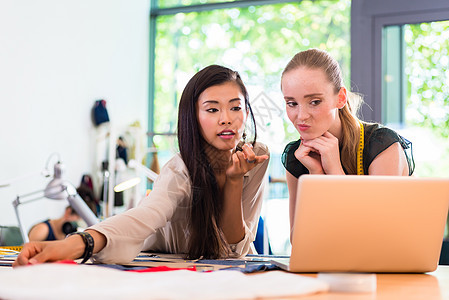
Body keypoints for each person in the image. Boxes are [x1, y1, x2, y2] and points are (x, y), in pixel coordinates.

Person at [14, 65, 270, 266]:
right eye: (212, 110)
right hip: (164, 270)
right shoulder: (180, 170)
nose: (226, 119)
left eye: (235, 107)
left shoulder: (256, 158)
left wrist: (235, 181)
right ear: (193, 117)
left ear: (246, 112)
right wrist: (74, 244)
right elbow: (142, 218)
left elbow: (234, 249)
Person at [280, 48, 414, 231]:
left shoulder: (381, 144)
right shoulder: (298, 156)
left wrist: (335, 171)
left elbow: (376, 232)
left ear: (340, 98)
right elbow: (300, 240)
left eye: (314, 102)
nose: (301, 116)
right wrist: (317, 174)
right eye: (292, 103)